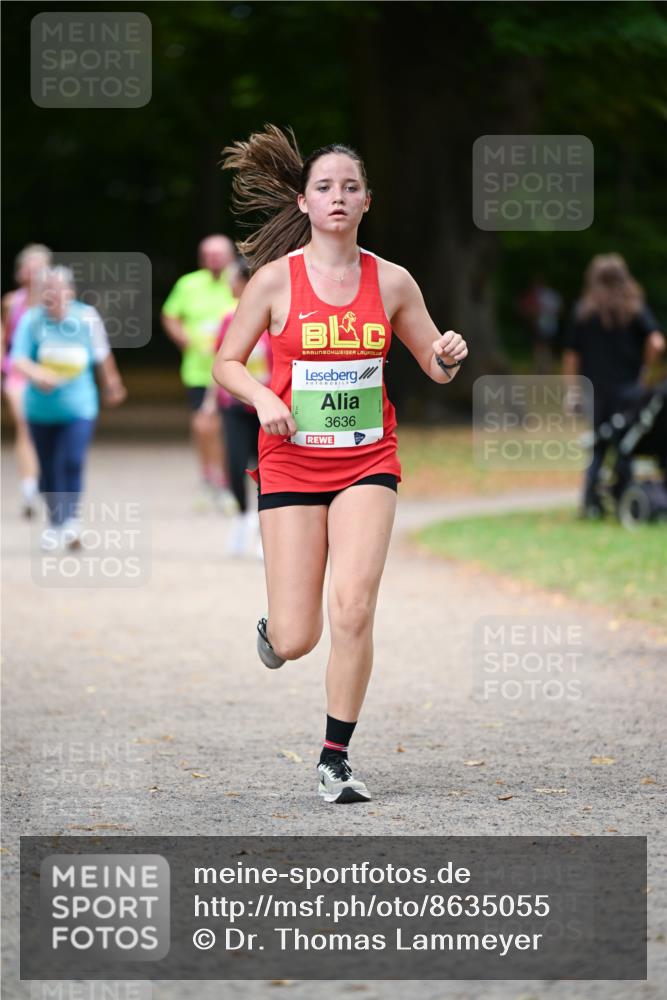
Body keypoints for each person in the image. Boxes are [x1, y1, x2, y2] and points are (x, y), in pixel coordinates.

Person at [213, 125, 468, 804]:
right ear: (303, 202)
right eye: (324, 186)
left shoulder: (392, 281)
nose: (337, 197)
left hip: (367, 461)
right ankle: (274, 628)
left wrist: (446, 354)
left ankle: (335, 757)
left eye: (349, 188)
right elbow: (225, 362)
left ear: (365, 203)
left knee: (353, 608)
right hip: (291, 461)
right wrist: (265, 396)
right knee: (298, 636)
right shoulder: (274, 282)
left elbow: (433, 368)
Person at [9, 266, 127, 549]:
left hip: (79, 405)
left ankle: (71, 523)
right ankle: (55, 523)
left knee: (71, 460)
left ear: (69, 292)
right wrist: (38, 374)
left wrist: (113, 383)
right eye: (45, 290)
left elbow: (102, 353)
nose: (51, 296)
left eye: (56, 290)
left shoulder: (85, 317)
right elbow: (18, 358)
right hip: (40, 408)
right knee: (48, 468)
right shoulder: (31, 321)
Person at [562, 253, 665, 518]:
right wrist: (645, 373)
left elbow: (572, 355)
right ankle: (622, 495)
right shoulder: (634, 309)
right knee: (625, 442)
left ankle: (590, 501)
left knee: (599, 444)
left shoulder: (585, 311)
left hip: (596, 392)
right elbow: (657, 342)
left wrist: (572, 390)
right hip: (629, 390)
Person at [161, 234, 239, 514]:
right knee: (202, 426)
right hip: (197, 369)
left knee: (220, 426)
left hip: (233, 369)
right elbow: (169, 314)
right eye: (209, 254)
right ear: (201, 257)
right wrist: (183, 339)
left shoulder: (241, 281)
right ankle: (210, 477)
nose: (215, 259)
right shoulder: (188, 284)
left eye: (220, 253)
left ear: (231, 254)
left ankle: (225, 481)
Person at [203, 258, 273, 557]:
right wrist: (209, 399)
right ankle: (243, 515)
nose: (230, 286)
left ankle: (261, 528)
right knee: (234, 463)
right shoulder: (228, 321)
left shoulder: (274, 315)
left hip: (268, 406)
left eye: (233, 280)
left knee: (265, 467)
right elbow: (221, 362)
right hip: (233, 403)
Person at [2, 243, 52, 517]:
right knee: (25, 425)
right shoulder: (12, 302)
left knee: (48, 429)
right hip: (18, 372)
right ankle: (29, 487)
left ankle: (47, 480)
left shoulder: (55, 303)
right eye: (28, 266)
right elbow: (5, 337)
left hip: (49, 374)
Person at [517, 273, 563, 373]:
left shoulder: (546, 295)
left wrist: (542, 312)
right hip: (541, 323)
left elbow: (557, 310)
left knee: (543, 346)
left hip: (547, 324)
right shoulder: (544, 295)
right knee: (539, 346)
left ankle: (545, 367)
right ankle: (542, 367)